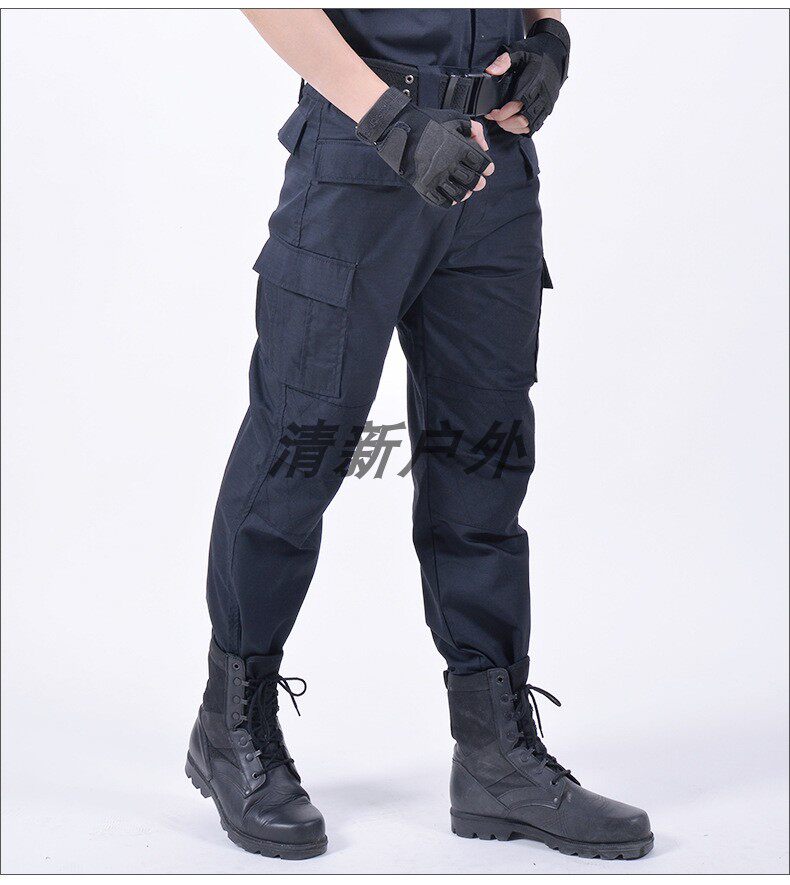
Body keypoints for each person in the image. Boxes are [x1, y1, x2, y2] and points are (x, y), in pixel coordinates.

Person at [186, 8, 653, 861]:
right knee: (300, 448)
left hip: (494, 172)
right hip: (361, 157)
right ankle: (230, 724)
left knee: (485, 458)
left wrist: (549, 37)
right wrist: (389, 121)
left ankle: (495, 756)